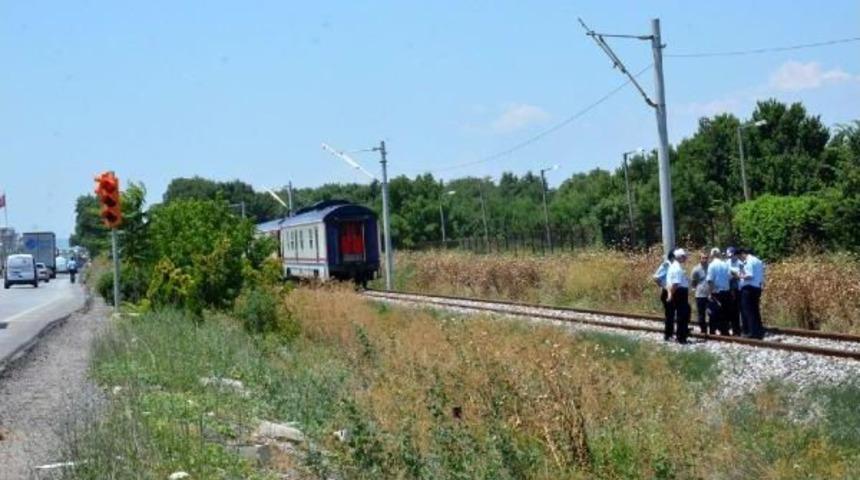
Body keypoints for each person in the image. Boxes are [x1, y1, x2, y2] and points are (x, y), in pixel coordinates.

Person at [738, 248, 765, 339]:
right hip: (757, 287)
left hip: (748, 289)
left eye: (739, 256)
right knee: (755, 311)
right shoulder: (758, 261)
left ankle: (752, 332)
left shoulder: (749, 261)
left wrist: (739, 276)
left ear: (743, 254)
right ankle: (759, 331)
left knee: (748, 311)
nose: (740, 258)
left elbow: (749, 275)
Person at [666, 248, 691, 344]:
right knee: (682, 315)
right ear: (679, 257)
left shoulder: (674, 266)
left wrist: (669, 294)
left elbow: (669, 283)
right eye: (684, 256)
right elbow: (675, 284)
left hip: (678, 291)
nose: (685, 258)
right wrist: (671, 295)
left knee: (682, 313)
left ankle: (679, 335)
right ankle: (681, 337)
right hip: (680, 292)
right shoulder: (677, 268)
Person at [706, 247, 732, 335]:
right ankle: (724, 331)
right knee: (725, 312)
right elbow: (729, 277)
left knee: (713, 312)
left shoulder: (711, 265)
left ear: (712, 255)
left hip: (716, 292)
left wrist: (710, 293)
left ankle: (713, 331)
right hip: (726, 291)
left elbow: (710, 280)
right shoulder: (725, 264)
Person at [652, 250, 675, 341]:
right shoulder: (667, 265)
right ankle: (668, 335)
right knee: (669, 314)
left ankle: (671, 333)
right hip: (667, 292)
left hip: (672, 292)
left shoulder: (674, 265)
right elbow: (656, 277)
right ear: (672, 256)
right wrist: (663, 286)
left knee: (672, 314)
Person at [690, 252, 710, 334]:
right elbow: (693, 281)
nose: (704, 259)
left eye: (706, 258)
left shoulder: (710, 267)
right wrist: (694, 289)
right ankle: (703, 330)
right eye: (703, 258)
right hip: (700, 294)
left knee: (712, 313)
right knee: (701, 314)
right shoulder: (696, 269)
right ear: (700, 259)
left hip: (710, 294)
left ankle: (712, 330)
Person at [726, 246, 744, 336]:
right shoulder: (726, 263)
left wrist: (733, 274)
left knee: (738, 310)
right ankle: (733, 329)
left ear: (734, 254)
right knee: (731, 310)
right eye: (729, 256)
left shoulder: (740, 263)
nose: (730, 257)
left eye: (731, 255)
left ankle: (739, 330)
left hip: (738, 289)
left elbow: (740, 275)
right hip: (729, 288)